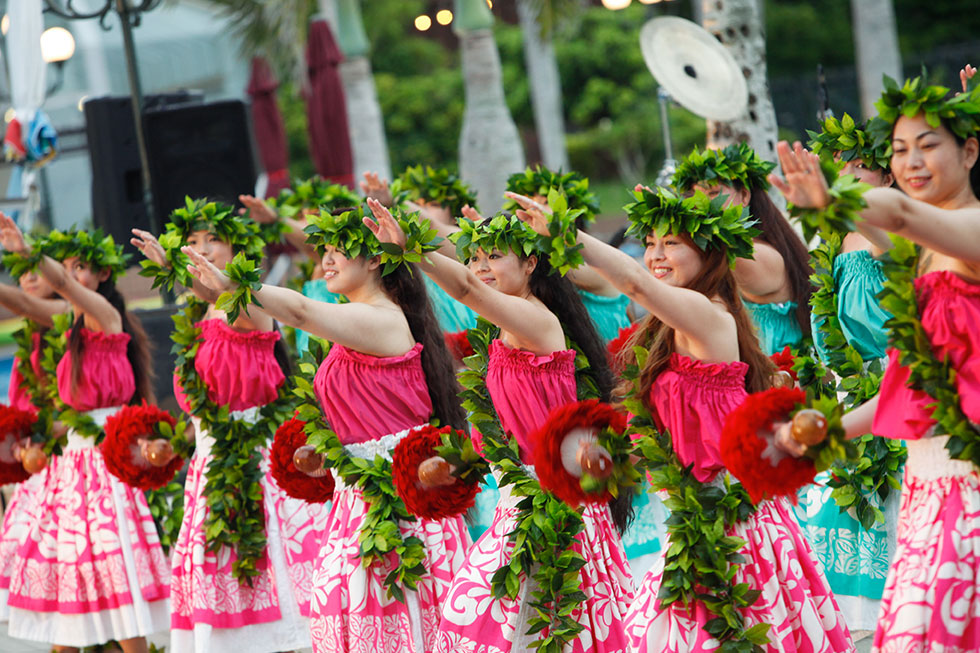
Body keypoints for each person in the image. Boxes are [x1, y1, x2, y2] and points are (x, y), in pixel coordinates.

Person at [509, 189, 853, 652]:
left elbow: (635, 283)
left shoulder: (708, 313)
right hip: (692, 517)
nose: (655, 254)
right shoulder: (669, 324)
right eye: (650, 242)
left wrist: (568, 235)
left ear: (708, 251)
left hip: (730, 522)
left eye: (671, 243)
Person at [180, 204, 470, 653]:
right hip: (356, 496)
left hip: (399, 503)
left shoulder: (383, 318)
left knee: (404, 629)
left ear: (376, 260)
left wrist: (237, 287)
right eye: (325, 249)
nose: (327, 258)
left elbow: (298, 310)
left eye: (340, 249)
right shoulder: (354, 319)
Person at [364, 197, 634, 652]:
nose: (481, 265)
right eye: (475, 255)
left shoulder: (536, 319)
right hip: (518, 498)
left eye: (495, 255)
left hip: (557, 503)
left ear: (531, 263)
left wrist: (412, 248)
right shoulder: (502, 328)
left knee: (553, 629)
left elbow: (469, 289)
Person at [771, 71, 980, 653]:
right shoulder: (923, 258)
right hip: (928, 484)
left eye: (928, 145)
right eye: (899, 148)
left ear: (969, 150)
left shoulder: (972, 231)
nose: (912, 161)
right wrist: (829, 433)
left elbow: (906, 217)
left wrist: (833, 200)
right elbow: (907, 379)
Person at [131, 199, 328, 653]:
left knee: (278, 590)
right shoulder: (203, 317)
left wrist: (179, 267)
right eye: (192, 242)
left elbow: (224, 291)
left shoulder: (253, 302)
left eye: (211, 240)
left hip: (258, 466)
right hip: (210, 465)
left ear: (237, 246)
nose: (201, 249)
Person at [0, 220, 169, 653]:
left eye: (81, 267)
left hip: (107, 463)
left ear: (102, 275)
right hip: (71, 467)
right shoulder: (69, 322)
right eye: (67, 268)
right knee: (69, 590)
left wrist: (31, 251)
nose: (71, 277)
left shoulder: (105, 316)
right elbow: (20, 298)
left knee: (120, 583)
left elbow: (62, 287)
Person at [796, 114, 901, 631]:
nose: (850, 173)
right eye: (844, 166)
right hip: (843, 396)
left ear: (888, 176)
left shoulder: (890, 233)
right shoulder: (833, 240)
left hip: (901, 394)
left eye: (863, 166)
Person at [673, 144, 813, 355]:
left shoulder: (761, 255)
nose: (701, 205)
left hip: (783, 377)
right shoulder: (719, 250)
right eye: (695, 196)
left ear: (745, 195)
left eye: (712, 193)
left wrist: (674, 222)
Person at [0, 247, 69, 620]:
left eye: (36, 270)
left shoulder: (71, 321)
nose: (28, 277)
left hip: (70, 457)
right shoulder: (30, 337)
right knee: (44, 582)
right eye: (22, 271)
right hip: (36, 465)